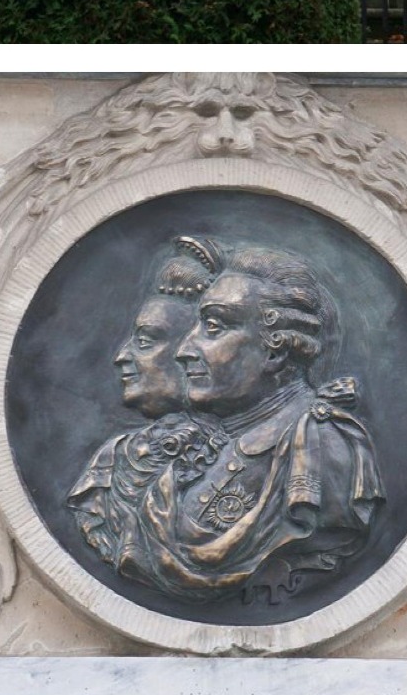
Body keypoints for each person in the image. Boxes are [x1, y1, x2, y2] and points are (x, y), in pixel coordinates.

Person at [69, 244, 384, 607]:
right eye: (197, 326)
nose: (186, 348)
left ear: (276, 349)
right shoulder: (199, 447)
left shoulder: (326, 448)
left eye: (214, 327)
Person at [66, 236, 225, 563]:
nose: (122, 357)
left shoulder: (280, 453)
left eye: (145, 341)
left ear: (191, 351)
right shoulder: (112, 463)